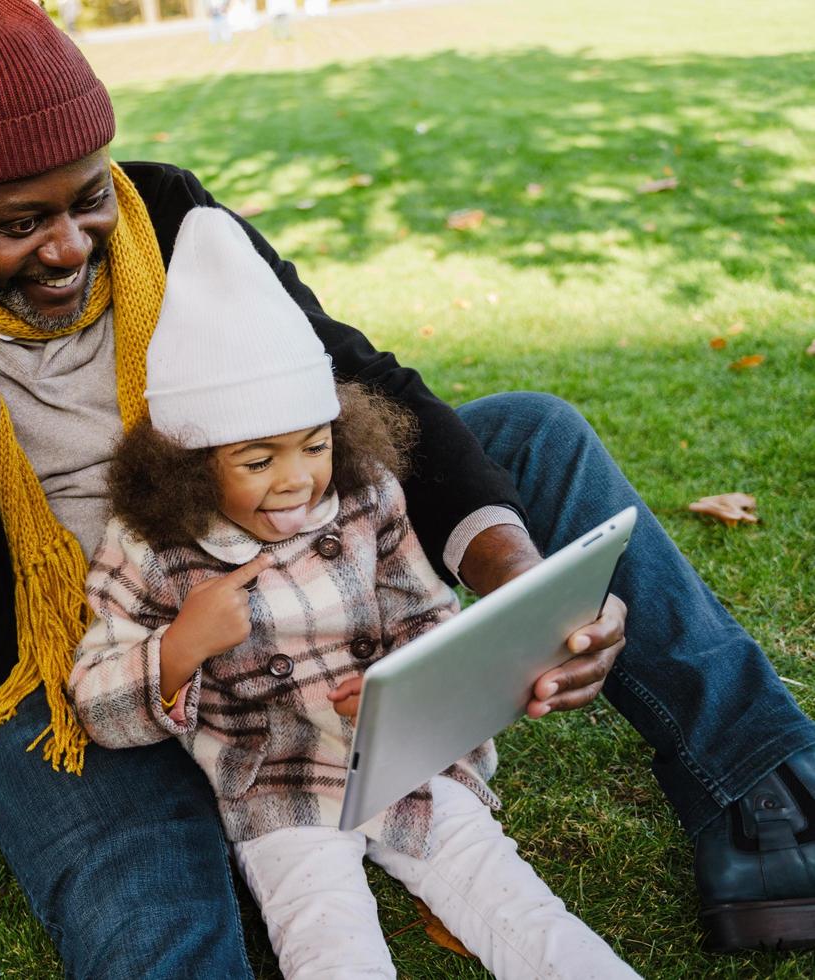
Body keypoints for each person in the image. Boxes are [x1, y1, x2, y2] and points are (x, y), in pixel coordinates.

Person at [0, 0, 815, 971]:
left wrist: (507, 574)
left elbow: (352, 381)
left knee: (531, 433)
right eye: (17, 222)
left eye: (85, 198)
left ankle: (763, 790)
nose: (69, 246)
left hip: (289, 553)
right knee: (147, 913)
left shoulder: (165, 213)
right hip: (78, 666)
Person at [69, 207, 639, 979]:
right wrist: (181, 645)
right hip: (276, 786)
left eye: (314, 443)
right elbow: (96, 701)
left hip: (404, 759)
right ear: (190, 464)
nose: (298, 479)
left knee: (518, 904)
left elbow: (426, 612)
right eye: (257, 460)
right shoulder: (150, 548)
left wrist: (404, 686)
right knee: (329, 943)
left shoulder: (366, 497)